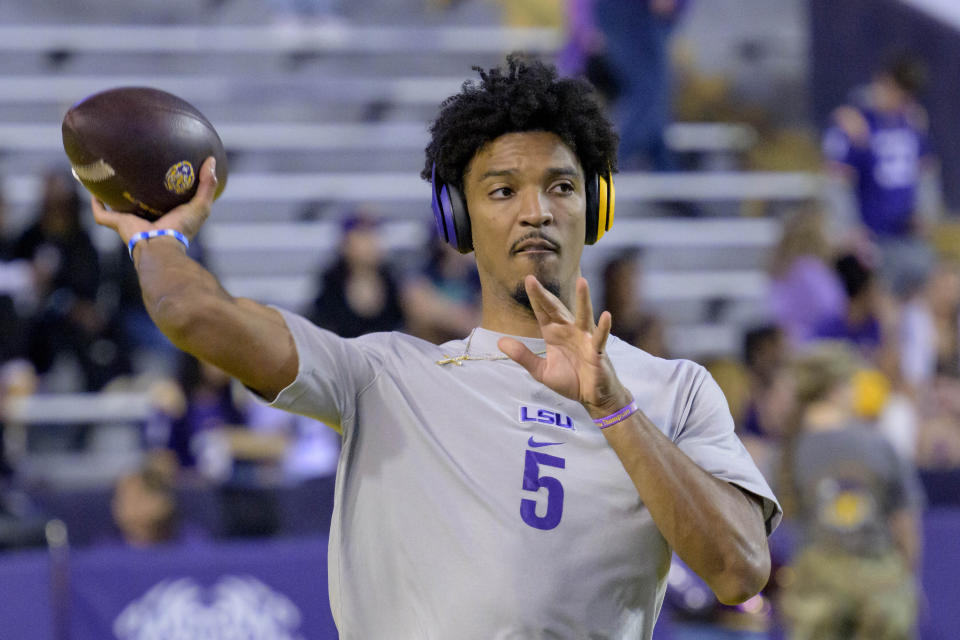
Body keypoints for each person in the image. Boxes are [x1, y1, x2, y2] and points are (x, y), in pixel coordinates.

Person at [91, 54, 779, 638]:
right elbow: (192, 314)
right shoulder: (382, 375)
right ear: (458, 217)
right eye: (502, 190)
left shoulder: (674, 388)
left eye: (561, 187)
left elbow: (739, 569)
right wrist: (155, 236)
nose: (536, 210)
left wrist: (614, 408)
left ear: (596, 208)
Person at [776, 342, 923, 640]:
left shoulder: (789, 452)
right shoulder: (880, 444)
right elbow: (905, 525)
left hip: (816, 587)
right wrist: (907, 582)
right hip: (880, 583)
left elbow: (785, 518)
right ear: (838, 388)